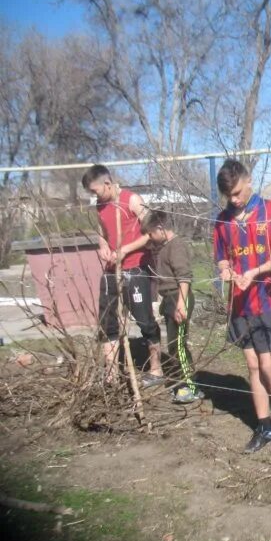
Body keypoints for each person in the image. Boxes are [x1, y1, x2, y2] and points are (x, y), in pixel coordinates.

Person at [213, 159, 271, 453]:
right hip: (239, 304)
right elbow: (222, 256)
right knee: (251, 365)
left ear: (249, 180)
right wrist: (225, 269)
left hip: (266, 301)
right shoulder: (223, 220)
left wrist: (253, 272)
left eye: (237, 193)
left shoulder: (270, 211)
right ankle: (265, 425)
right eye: (229, 196)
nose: (234, 200)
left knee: (268, 365)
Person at [81, 164, 163, 387]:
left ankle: (156, 368)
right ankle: (111, 374)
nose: (94, 195)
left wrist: (125, 250)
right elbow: (101, 230)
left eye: (95, 191)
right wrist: (103, 246)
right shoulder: (100, 204)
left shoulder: (132, 200)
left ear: (107, 184)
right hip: (111, 270)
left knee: (145, 320)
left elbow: (152, 232)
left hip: (136, 268)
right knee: (108, 321)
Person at [142, 209, 203, 403]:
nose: (149, 238)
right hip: (170, 299)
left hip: (178, 298)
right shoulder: (164, 246)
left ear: (160, 228)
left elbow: (184, 276)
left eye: (151, 233)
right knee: (175, 345)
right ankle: (185, 384)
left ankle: (188, 387)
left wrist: (181, 305)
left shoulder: (176, 246)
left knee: (178, 346)